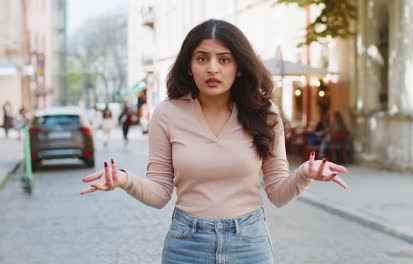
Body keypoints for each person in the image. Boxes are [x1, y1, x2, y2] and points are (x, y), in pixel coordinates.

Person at [80, 19, 348, 264]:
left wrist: (305, 174)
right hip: (186, 246)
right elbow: (160, 193)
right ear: (189, 65)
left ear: (239, 67)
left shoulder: (264, 114)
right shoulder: (166, 114)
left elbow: (277, 193)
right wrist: (125, 180)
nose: (212, 68)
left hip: (249, 245)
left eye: (224, 60)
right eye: (202, 58)